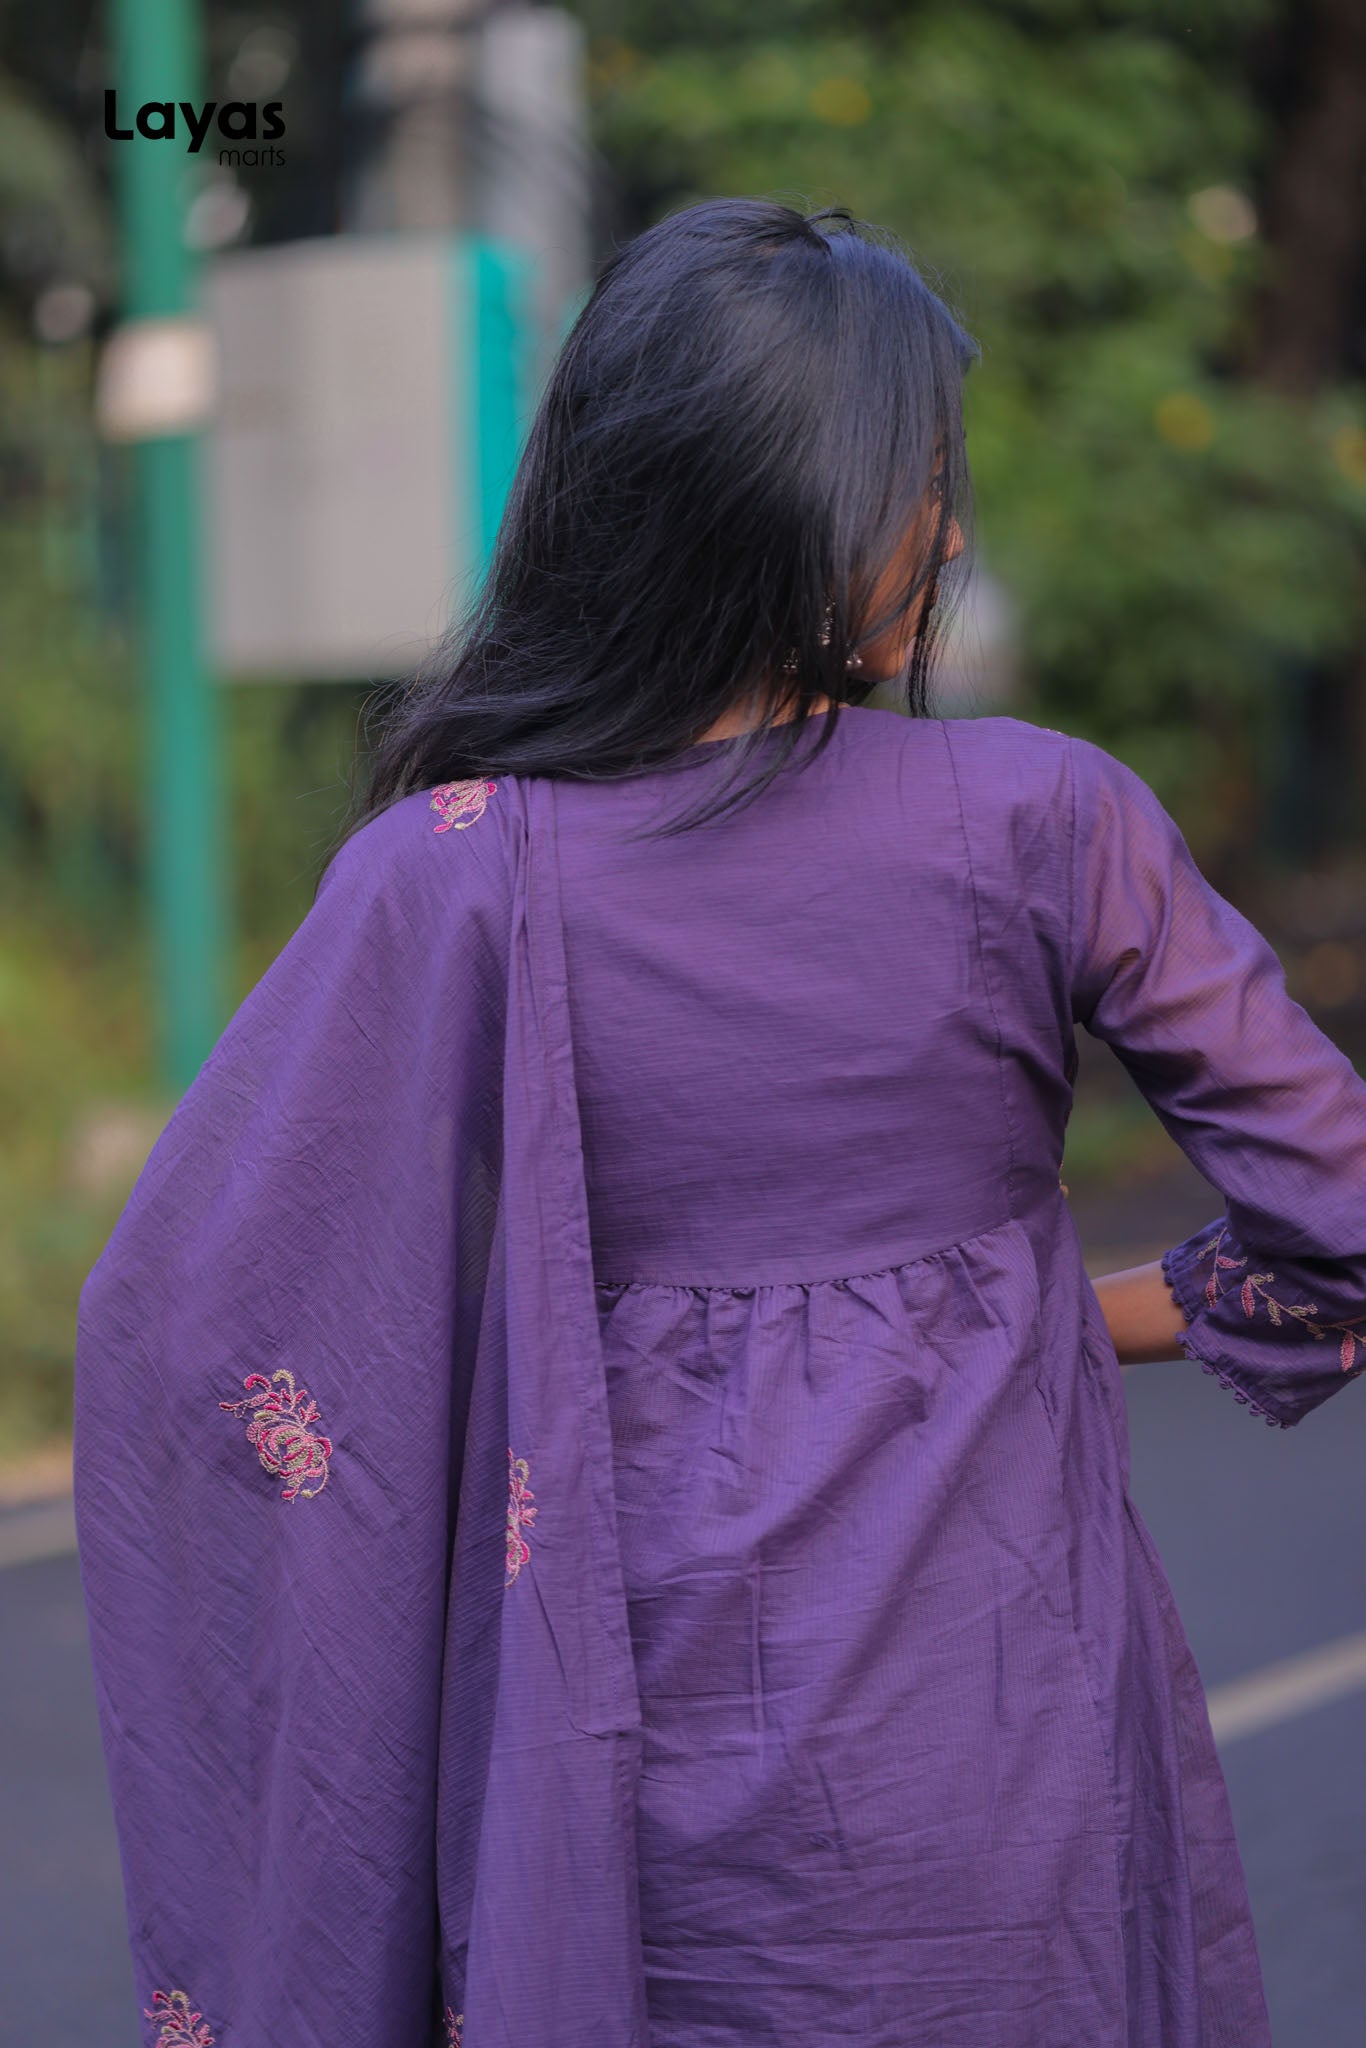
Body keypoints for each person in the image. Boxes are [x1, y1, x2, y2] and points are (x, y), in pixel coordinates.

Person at [73, 198, 1366, 2048]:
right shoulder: (1045, 820)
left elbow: (197, 1326)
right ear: (790, 501)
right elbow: (1345, 1214)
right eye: (921, 481)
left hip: (616, 1783)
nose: (950, 532)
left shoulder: (456, 869)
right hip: (1004, 1756)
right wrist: (1016, 1323)